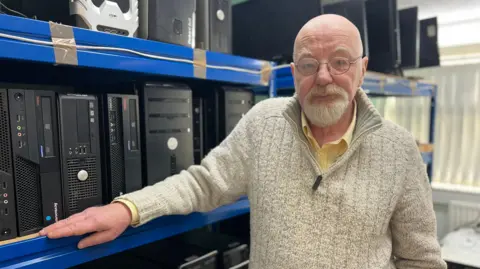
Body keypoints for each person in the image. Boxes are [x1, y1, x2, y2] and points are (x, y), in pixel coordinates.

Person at [40, 14, 447, 269]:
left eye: (340, 62)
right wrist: (128, 209)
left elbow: (421, 259)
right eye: (309, 65)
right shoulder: (263, 123)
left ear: (361, 69)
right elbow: (204, 183)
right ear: (294, 71)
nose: (323, 77)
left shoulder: (399, 151)